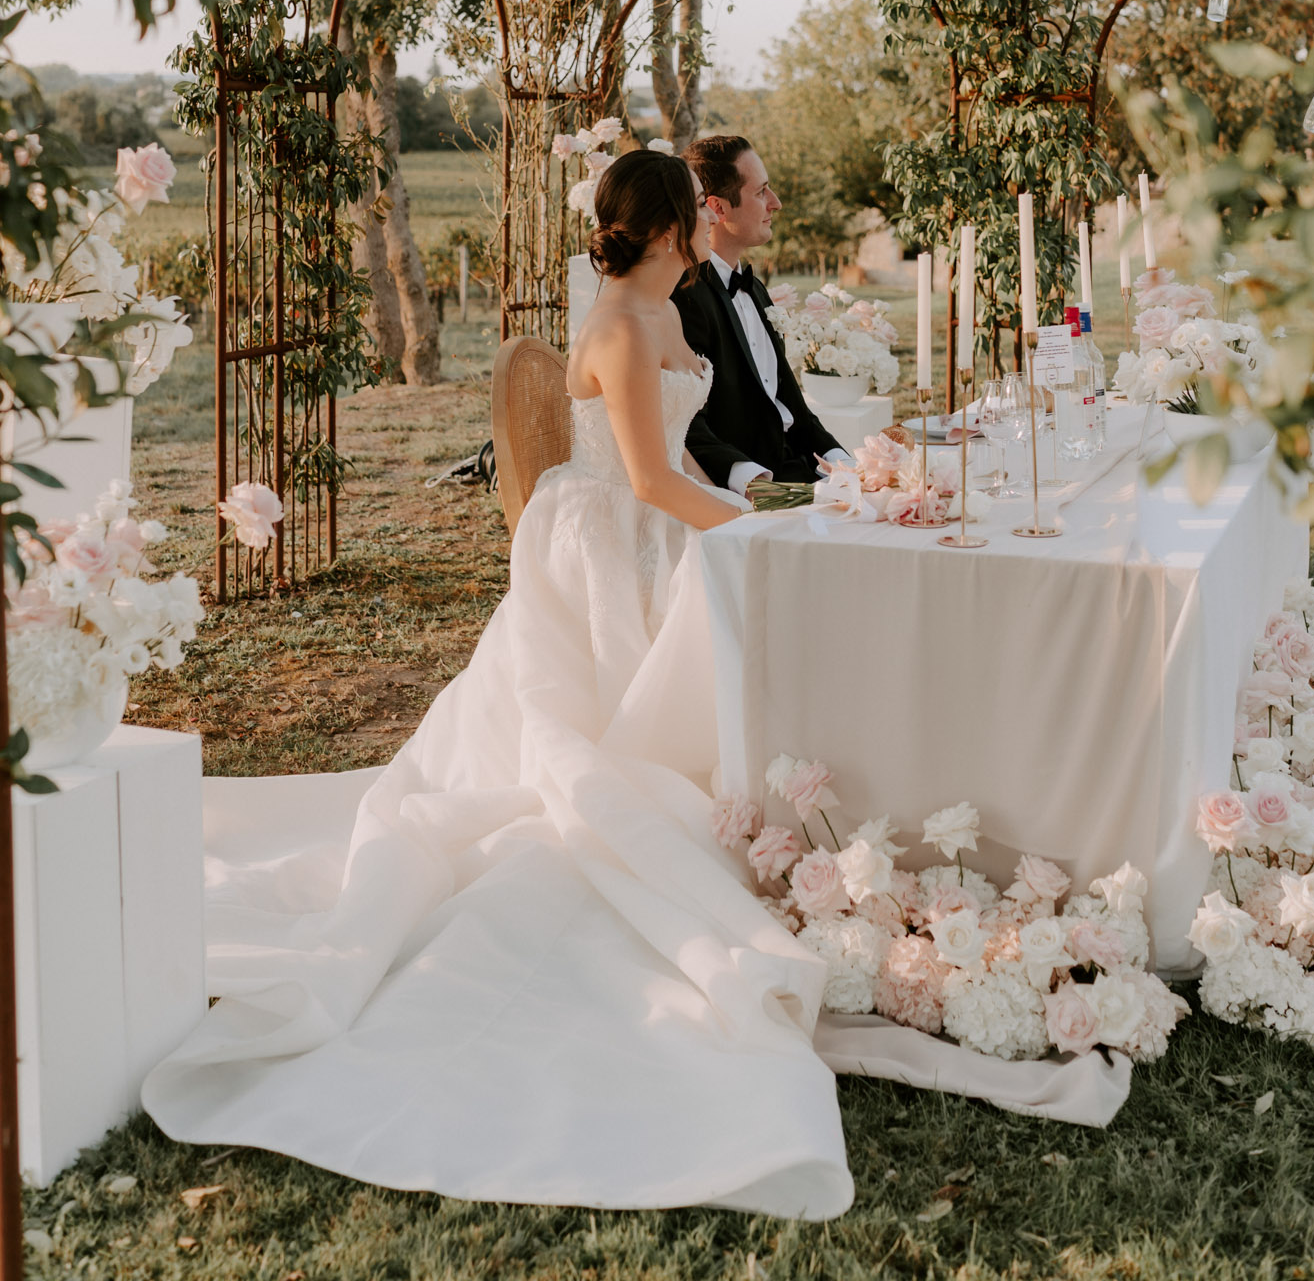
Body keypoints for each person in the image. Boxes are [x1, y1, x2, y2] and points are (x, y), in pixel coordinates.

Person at [142, 149, 853, 1219]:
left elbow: (690, 464)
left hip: (662, 518)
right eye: (694, 218)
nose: (711, 226)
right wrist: (761, 529)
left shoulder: (669, 308)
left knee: (738, 606)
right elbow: (650, 479)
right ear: (670, 227)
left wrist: (761, 509)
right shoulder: (618, 322)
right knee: (620, 727)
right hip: (610, 538)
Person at [673, 134, 849, 492]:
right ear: (717, 209)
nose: (776, 203)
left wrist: (847, 464)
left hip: (797, 469)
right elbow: (685, 421)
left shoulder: (754, 288)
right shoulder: (684, 298)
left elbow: (792, 406)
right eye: (761, 192)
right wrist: (757, 485)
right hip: (750, 486)